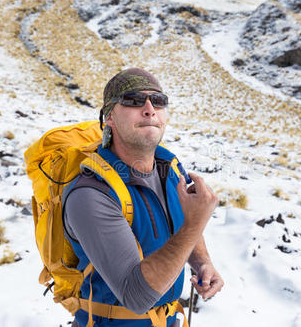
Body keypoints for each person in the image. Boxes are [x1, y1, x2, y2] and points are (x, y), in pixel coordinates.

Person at [63, 68, 224, 327]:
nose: (149, 109)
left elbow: (185, 220)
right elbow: (136, 296)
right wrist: (197, 223)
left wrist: (202, 261)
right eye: (134, 101)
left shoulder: (169, 168)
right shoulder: (91, 194)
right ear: (110, 117)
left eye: (158, 101)